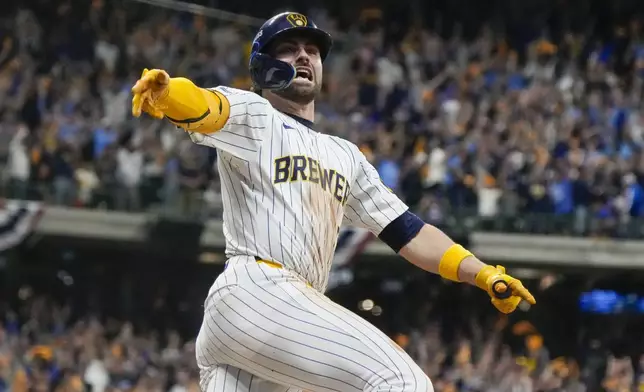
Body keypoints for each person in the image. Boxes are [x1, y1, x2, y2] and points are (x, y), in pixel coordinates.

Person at [130, 11, 536, 392]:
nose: (304, 55)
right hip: (257, 289)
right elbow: (206, 106)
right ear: (262, 65)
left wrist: (481, 273)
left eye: (312, 50)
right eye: (288, 47)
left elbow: (408, 232)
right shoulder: (255, 115)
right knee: (403, 383)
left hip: (260, 322)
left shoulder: (345, 154)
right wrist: (168, 95)